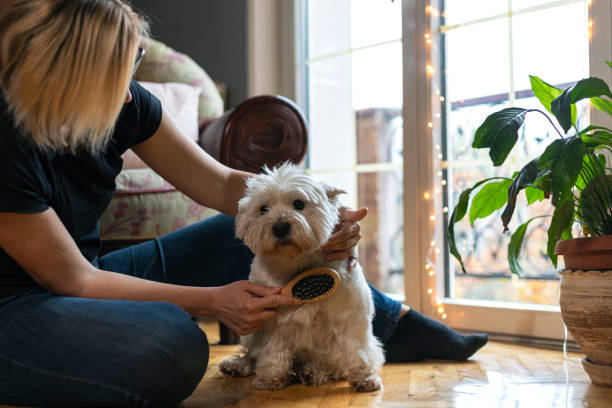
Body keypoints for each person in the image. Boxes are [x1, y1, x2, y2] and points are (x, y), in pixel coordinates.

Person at [0, 0, 488, 406]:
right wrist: (213, 303)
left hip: (84, 274)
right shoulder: (6, 137)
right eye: (122, 70)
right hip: (18, 304)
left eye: (137, 62)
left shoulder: (128, 105)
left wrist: (319, 213)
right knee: (171, 346)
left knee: (253, 229)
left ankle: (390, 322)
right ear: (71, 77)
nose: (132, 86)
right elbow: (71, 279)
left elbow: (221, 184)